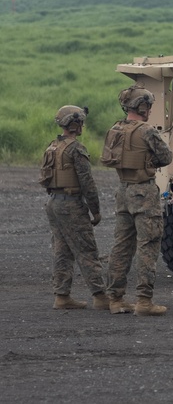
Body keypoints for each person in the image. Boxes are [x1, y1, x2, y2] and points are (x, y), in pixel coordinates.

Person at [103, 86, 173, 316]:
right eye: (149, 106)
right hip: (144, 192)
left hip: (123, 191)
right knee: (148, 245)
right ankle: (144, 301)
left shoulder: (115, 129)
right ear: (142, 106)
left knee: (121, 246)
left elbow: (108, 158)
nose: (150, 109)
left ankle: (115, 298)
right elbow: (166, 157)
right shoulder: (147, 131)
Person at [40, 105, 110, 310]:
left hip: (54, 202)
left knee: (61, 250)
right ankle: (100, 295)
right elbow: (87, 182)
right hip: (71, 204)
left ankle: (62, 296)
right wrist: (95, 210)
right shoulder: (76, 149)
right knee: (86, 249)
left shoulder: (52, 147)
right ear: (75, 123)